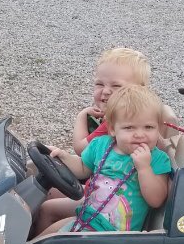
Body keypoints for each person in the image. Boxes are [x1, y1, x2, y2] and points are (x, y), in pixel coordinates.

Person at [39, 85, 172, 235]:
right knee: (45, 237)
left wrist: (144, 168)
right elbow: (83, 168)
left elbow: (156, 200)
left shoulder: (157, 159)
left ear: (158, 128)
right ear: (113, 129)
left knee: (50, 240)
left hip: (113, 236)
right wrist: (64, 157)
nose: (140, 134)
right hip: (86, 218)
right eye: (129, 128)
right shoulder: (101, 145)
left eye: (148, 127)